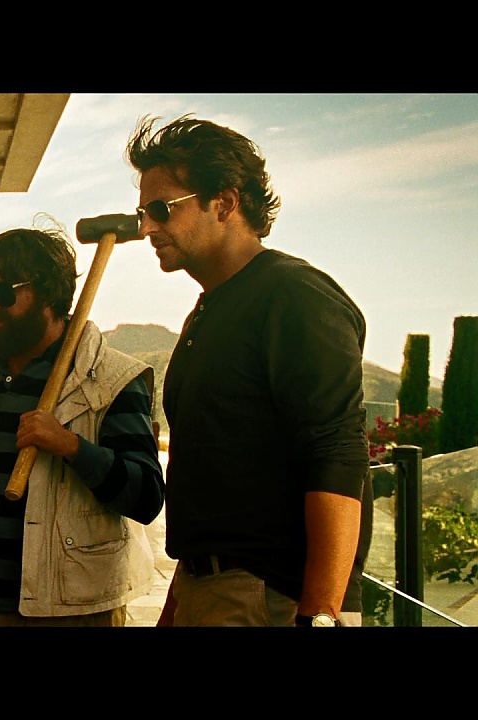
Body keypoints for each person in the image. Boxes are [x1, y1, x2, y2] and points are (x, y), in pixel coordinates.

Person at [127, 114, 372, 627]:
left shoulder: (294, 296)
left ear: (225, 202)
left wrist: (321, 615)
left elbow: (337, 453)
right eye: (143, 212)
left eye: (161, 209)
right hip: (208, 588)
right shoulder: (210, 309)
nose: (146, 227)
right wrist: (180, 602)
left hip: (269, 598)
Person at [0, 225, 165, 626]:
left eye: (3, 291)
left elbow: (146, 498)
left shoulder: (112, 382)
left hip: (67, 613)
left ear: (47, 294)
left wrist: (72, 447)